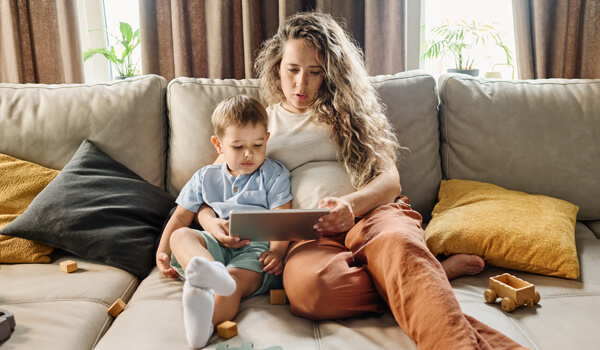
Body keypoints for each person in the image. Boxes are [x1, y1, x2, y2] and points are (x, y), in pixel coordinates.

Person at [198, 12, 526, 350]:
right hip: (308, 235)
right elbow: (209, 188)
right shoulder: (258, 124)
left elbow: (390, 180)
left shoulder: (353, 112)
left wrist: (350, 206)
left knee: (399, 248)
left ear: (331, 73)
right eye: (293, 70)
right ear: (277, 67)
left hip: (372, 215)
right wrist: (210, 222)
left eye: (315, 72)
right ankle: (427, 275)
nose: (301, 84)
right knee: (311, 293)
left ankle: (420, 283)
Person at [156, 95, 293, 349]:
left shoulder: (274, 174)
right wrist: (162, 252)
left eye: (258, 144)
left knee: (233, 283)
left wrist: (277, 251)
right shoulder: (204, 177)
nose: (249, 154)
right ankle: (209, 270)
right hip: (215, 245)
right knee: (182, 235)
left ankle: (203, 326)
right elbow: (180, 217)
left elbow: (281, 220)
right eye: (238, 147)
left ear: (267, 139)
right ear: (218, 145)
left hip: (255, 249)